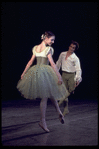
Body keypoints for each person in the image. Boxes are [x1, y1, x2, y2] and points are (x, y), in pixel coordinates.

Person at [17, 31, 67, 133]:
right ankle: (42, 121)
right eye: (51, 39)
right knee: (45, 97)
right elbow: (52, 63)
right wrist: (59, 76)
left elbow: (30, 62)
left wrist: (23, 73)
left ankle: (58, 112)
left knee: (50, 93)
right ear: (46, 38)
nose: (53, 42)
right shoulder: (48, 49)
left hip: (36, 72)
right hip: (45, 72)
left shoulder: (35, 48)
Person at [56, 40, 82, 116]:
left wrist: (78, 78)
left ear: (75, 49)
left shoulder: (75, 58)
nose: (71, 48)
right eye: (71, 47)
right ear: (69, 46)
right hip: (64, 74)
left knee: (71, 90)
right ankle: (66, 109)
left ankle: (59, 103)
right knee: (64, 91)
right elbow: (58, 64)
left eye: (73, 48)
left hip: (71, 75)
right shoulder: (62, 54)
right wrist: (56, 73)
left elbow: (78, 69)